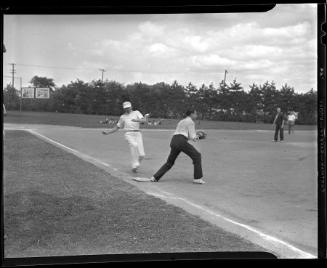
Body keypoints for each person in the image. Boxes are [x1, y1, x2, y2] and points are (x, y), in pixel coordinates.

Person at [149, 109, 205, 184]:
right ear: (191, 114)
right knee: (197, 156)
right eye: (195, 113)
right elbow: (193, 137)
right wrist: (199, 136)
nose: (196, 115)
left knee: (169, 162)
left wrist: (195, 136)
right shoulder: (191, 122)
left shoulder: (181, 121)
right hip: (181, 141)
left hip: (174, 140)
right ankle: (197, 178)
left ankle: (155, 177)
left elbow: (184, 135)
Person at [102, 101, 149, 172]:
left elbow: (144, 121)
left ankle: (135, 167)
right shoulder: (123, 117)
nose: (127, 109)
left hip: (138, 134)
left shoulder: (137, 112)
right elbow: (117, 127)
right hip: (128, 134)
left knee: (142, 155)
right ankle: (135, 163)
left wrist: (141, 118)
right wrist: (108, 132)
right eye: (125, 108)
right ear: (124, 109)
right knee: (134, 145)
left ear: (131, 106)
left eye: (128, 107)